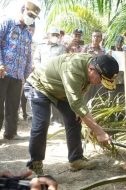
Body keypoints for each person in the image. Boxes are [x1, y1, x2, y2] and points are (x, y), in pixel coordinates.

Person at [24, 54, 119, 175]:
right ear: (91, 68)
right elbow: (76, 102)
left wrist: (81, 114)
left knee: (75, 119)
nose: (99, 83)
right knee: (41, 123)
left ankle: (76, 159)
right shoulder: (73, 69)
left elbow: (79, 92)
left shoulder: (94, 67)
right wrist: (99, 131)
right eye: (100, 79)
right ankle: (35, 163)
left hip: (62, 91)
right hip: (39, 86)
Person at [0, 0, 41, 140]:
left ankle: (10, 133)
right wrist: (0, 63)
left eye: (34, 17)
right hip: (2, 72)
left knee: (13, 105)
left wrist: (27, 75)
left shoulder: (28, 34)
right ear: (22, 10)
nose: (32, 18)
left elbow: (28, 56)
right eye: (30, 14)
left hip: (18, 76)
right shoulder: (8, 23)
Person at [33, 28, 66, 126]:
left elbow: (63, 61)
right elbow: (36, 59)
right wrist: (39, 69)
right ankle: (43, 119)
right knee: (41, 97)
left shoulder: (61, 48)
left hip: (55, 76)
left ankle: (55, 119)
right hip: (41, 75)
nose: (55, 36)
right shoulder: (40, 46)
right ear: (48, 35)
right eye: (53, 34)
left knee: (55, 97)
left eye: (57, 35)